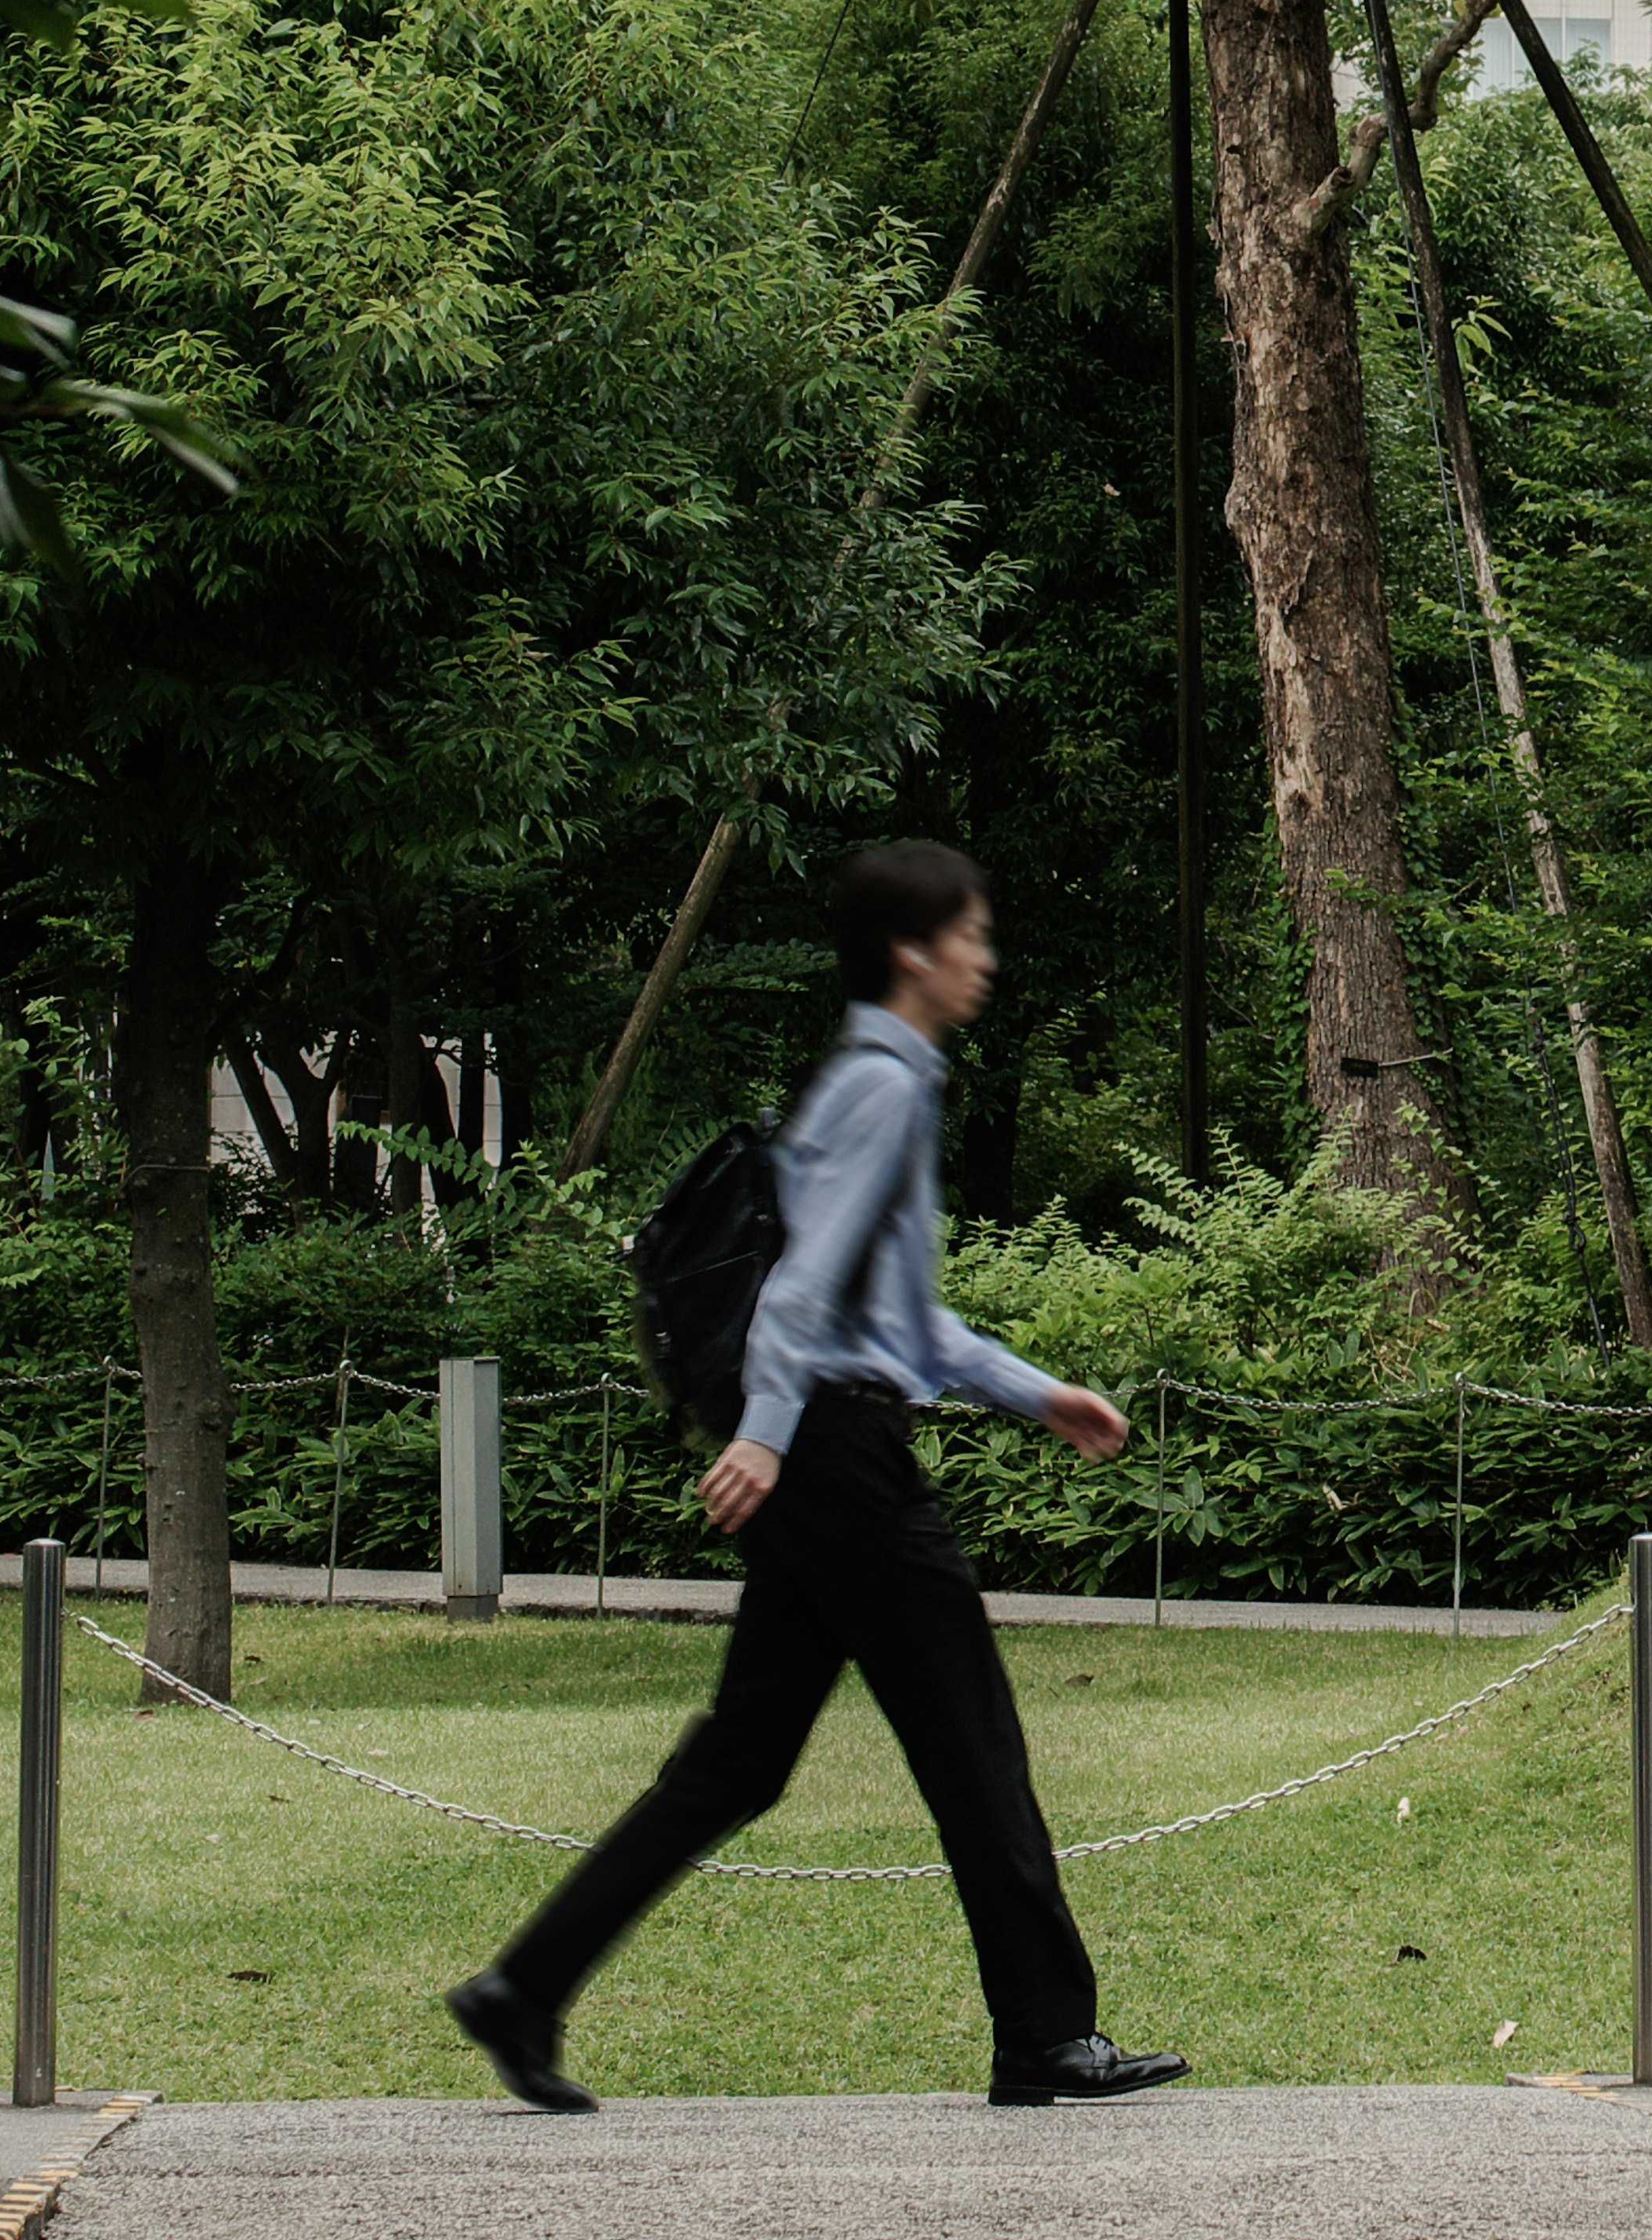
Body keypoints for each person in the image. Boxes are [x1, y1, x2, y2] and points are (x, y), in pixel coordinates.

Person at [445, 840, 1190, 2115]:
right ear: (914, 953)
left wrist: (1036, 1392)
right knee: (972, 1742)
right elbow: (801, 1292)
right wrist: (771, 1433)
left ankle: (525, 1989)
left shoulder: (874, 1079)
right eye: (972, 937)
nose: (986, 961)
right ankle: (1049, 2036)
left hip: (829, 1445)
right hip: (841, 1458)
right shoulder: (884, 1084)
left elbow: (897, 1313)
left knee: (741, 1761)